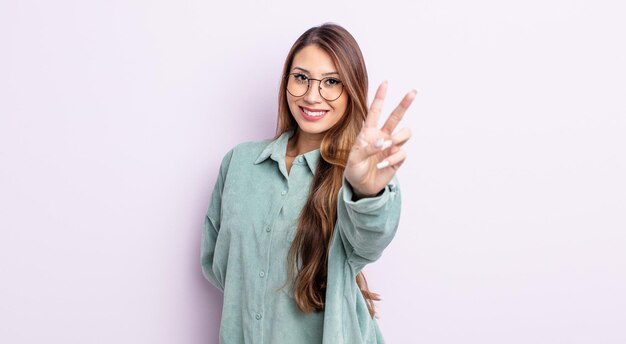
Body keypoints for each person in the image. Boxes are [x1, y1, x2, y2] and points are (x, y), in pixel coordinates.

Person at [201, 23, 416, 344]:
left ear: (351, 90)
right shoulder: (239, 164)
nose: (312, 96)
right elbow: (221, 267)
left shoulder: (360, 174)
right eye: (301, 77)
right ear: (286, 81)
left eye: (331, 82)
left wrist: (365, 192)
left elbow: (369, 242)